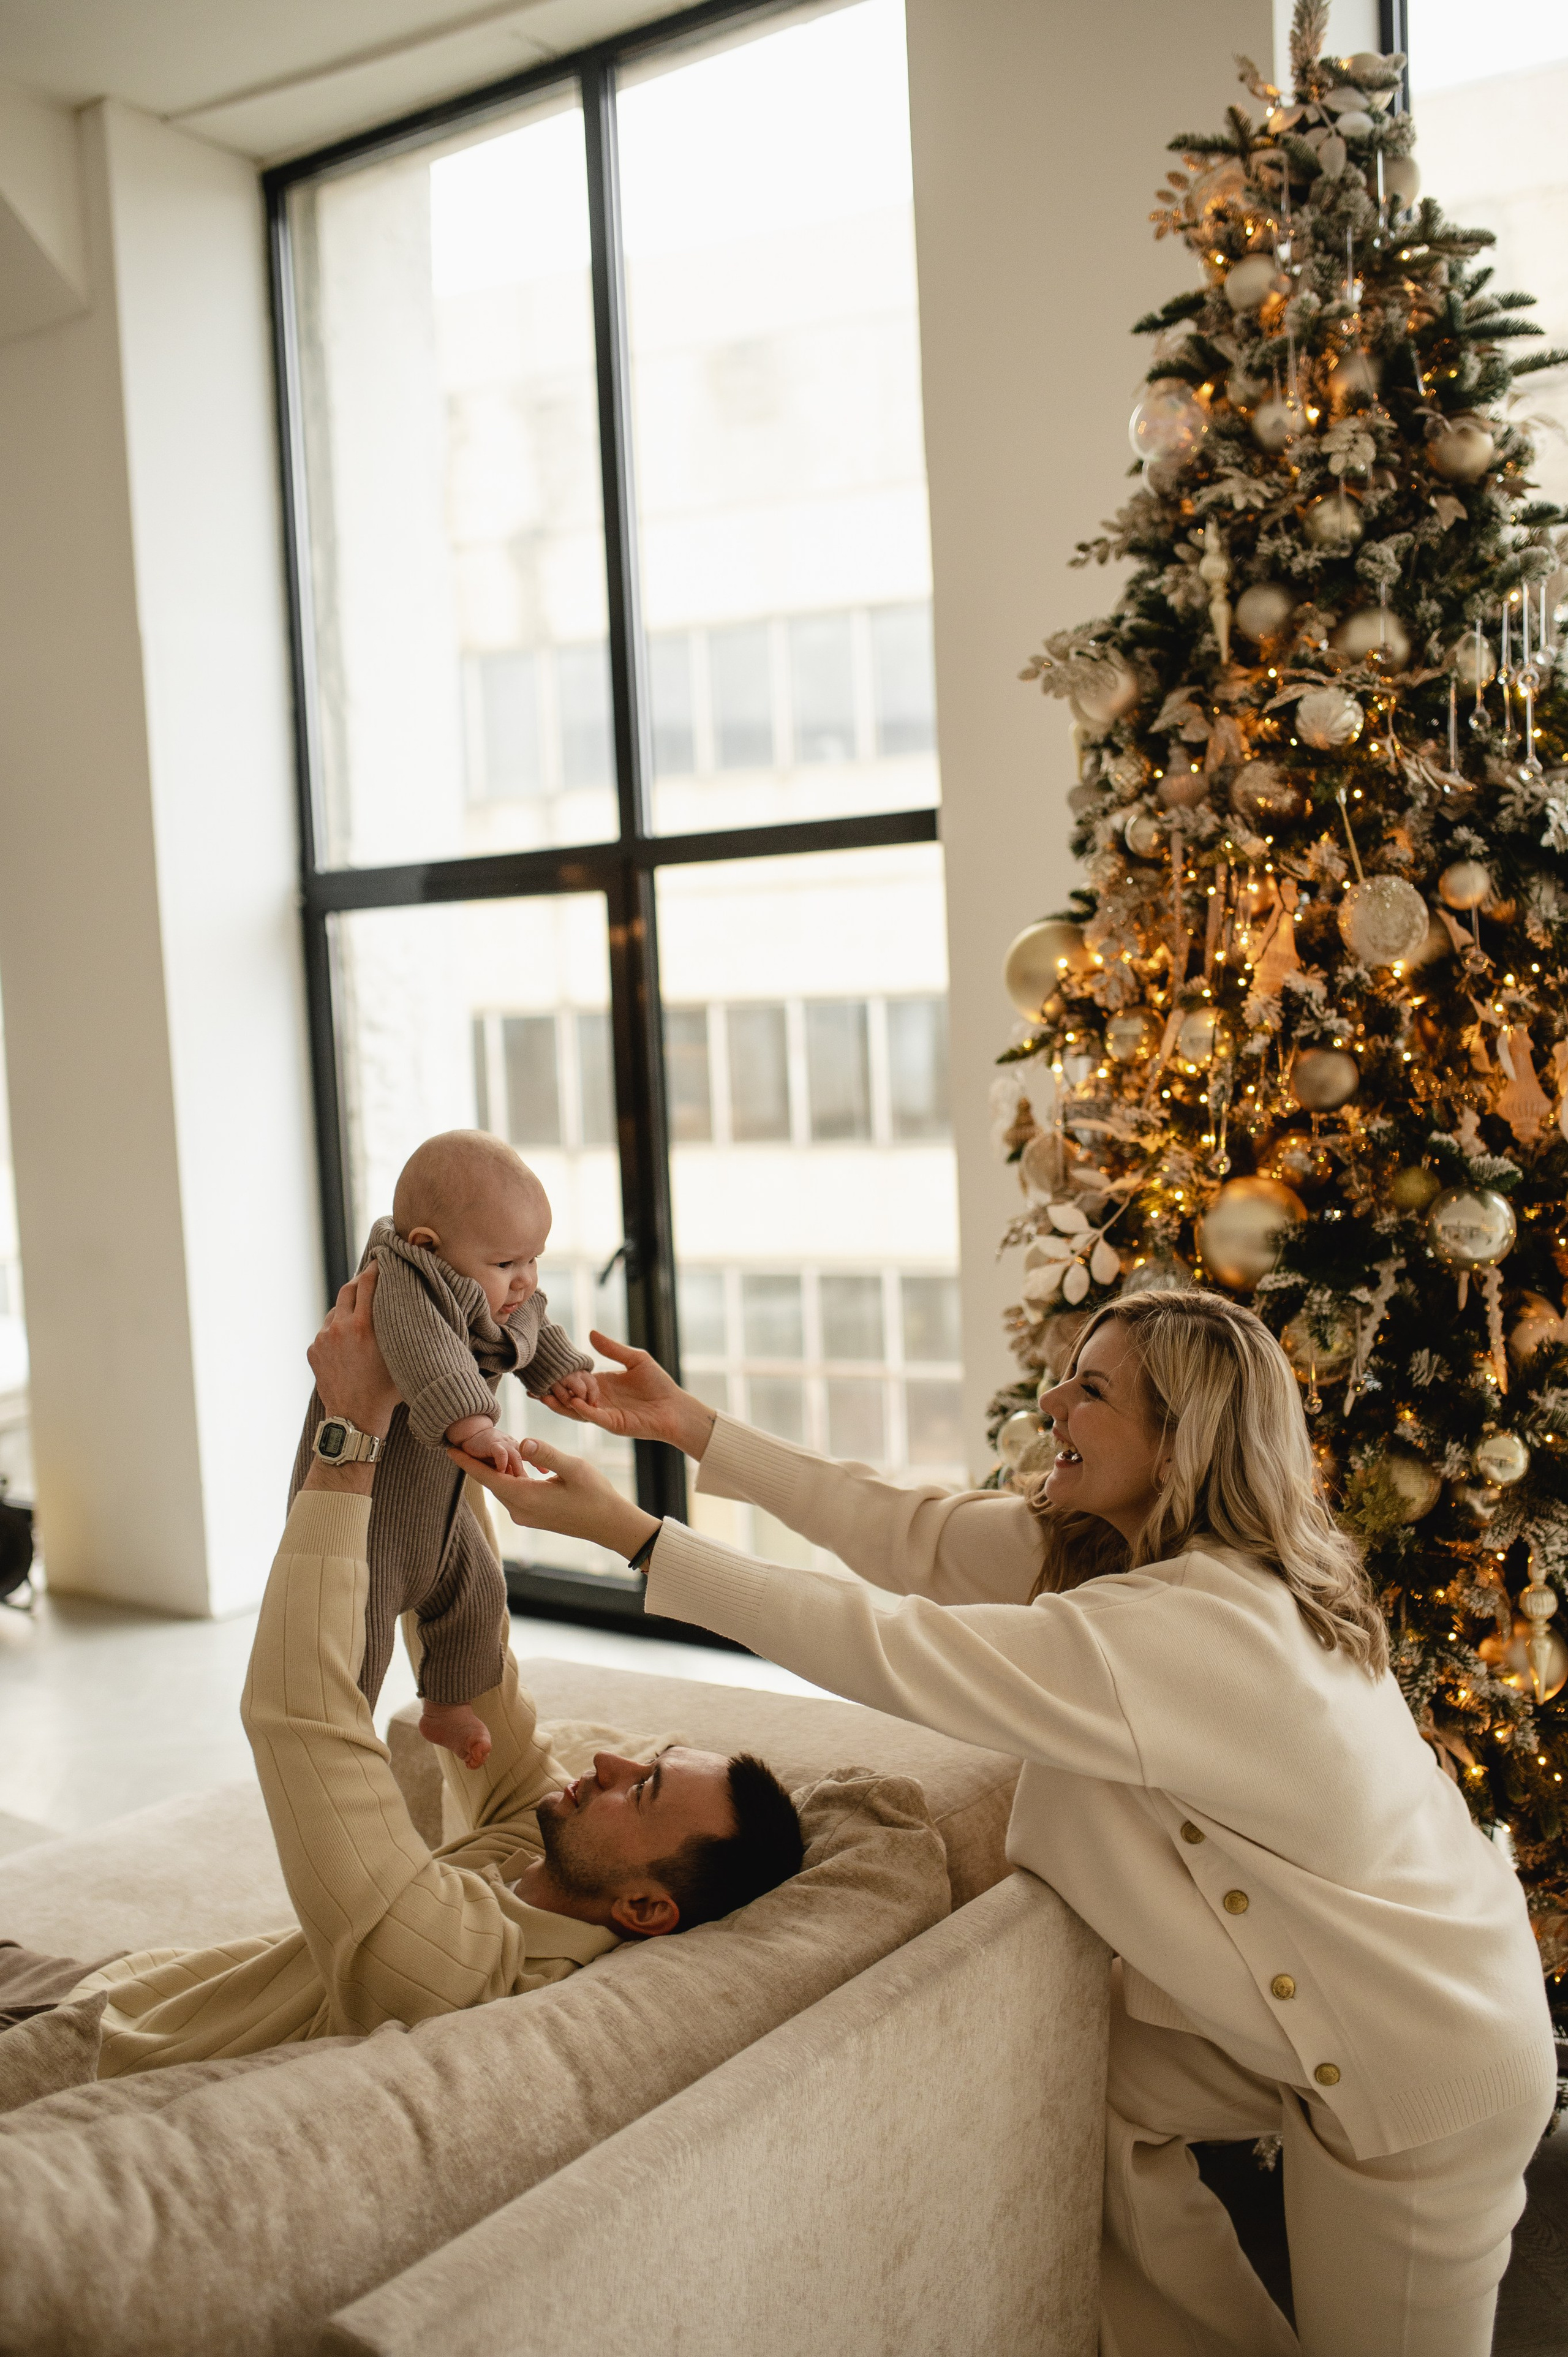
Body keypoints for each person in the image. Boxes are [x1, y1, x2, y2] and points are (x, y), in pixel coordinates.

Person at [454, 1289, 1558, 2357]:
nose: (1052, 1408)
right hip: (1323, 2022)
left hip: (1426, 2070)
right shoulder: (1117, 1551)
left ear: (1181, 1441)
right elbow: (911, 1533)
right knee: (1084, 2080)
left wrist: (644, 1540)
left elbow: (893, 1643)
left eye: (1093, 1391)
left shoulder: (1205, 1627)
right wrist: (691, 1426)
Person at [57, 1269, 802, 2079]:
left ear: (646, 1909)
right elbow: (480, 1661)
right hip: (126, 1982)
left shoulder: (452, 1963)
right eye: (645, 1766)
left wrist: (351, 1427)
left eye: (643, 1790)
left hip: (84, 2052)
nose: (611, 1763)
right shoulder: (545, 1857)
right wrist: (456, 1400)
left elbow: (304, 1723)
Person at [292, 1129, 601, 1771]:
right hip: (367, 1511)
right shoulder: (400, 1282)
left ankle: (447, 1704)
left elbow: (525, 1326)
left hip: (437, 1504)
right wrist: (475, 1424)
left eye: (533, 1259)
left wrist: (560, 1369)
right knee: (356, 1640)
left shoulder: (481, 1281)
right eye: (508, 1263)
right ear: (431, 1246)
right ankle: (345, 1748)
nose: (525, 1280)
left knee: (480, 1591)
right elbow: (428, 1357)